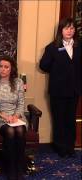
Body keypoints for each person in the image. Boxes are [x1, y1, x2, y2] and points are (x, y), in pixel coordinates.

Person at [39, 18, 81, 158]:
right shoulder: (52, 47)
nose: (70, 31)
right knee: (59, 119)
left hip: (74, 90)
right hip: (58, 90)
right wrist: (58, 70)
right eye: (67, 28)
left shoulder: (79, 46)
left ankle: (70, 147)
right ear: (61, 31)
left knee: (70, 119)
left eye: (72, 28)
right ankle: (60, 147)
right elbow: (43, 66)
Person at [0, 56, 27, 180]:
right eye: (1, 66)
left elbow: (21, 104)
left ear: (11, 69)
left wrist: (15, 116)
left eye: (6, 67)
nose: (3, 69)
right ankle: (10, 168)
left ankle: (18, 168)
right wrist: (2, 115)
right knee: (10, 131)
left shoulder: (18, 82)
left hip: (16, 116)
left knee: (19, 130)